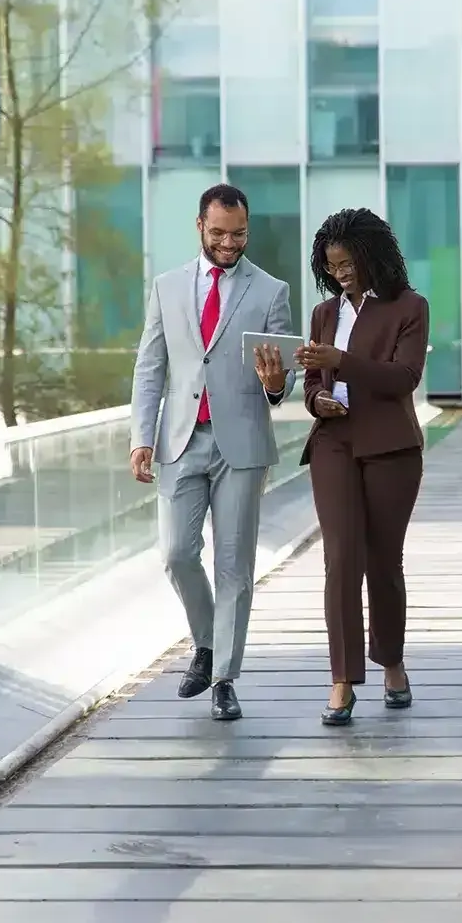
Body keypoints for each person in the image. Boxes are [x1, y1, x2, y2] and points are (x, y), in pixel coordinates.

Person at [130, 184, 296, 721]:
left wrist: (276, 383)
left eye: (240, 233)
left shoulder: (271, 291)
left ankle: (224, 675)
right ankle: (205, 642)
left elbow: (282, 379)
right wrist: (141, 437)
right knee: (176, 553)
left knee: (234, 566)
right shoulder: (166, 287)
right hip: (179, 442)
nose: (230, 243)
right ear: (199, 226)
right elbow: (151, 368)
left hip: (241, 444)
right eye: (220, 232)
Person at [294, 208, 429, 726]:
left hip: (390, 446)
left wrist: (339, 363)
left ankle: (391, 661)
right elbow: (312, 382)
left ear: (371, 256)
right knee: (340, 560)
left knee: (382, 560)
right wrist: (316, 400)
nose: (340, 274)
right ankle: (342, 681)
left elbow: (403, 378)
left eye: (348, 263)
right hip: (333, 442)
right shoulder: (324, 313)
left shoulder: (409, 307)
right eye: (332, 266)